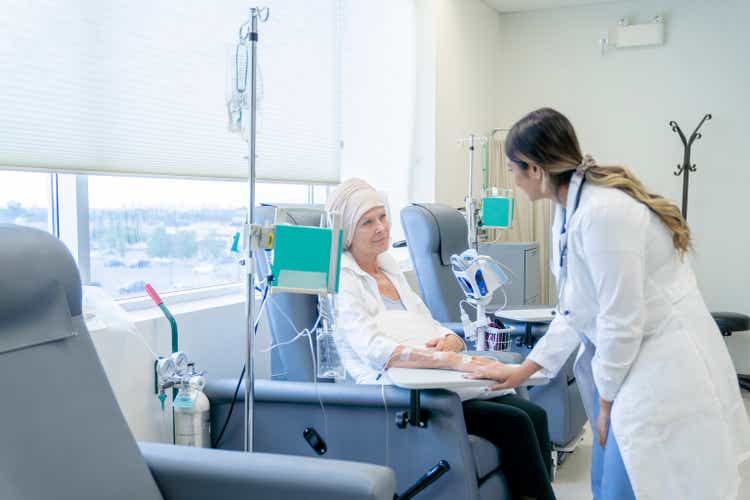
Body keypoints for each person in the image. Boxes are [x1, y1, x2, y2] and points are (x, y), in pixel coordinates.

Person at [468, 108, 750, 500]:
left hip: (660, 365)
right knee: (606, 482)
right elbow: (574, 308)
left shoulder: (602, 213)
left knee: (636, 482)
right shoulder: (569, 210)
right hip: (631, 363)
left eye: (514, 169)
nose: (513, 181)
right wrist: (524, 371)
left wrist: (605, 402)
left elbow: (621, 319)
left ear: (535, 169)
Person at [327, 178, 556, 500]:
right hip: (397, 389)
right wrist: (451, 359)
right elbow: (374, 349)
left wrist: (453, 341)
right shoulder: (343, 278)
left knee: (534, 414)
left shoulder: (389, 268)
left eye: (382, 216)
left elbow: (429, 322)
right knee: (515, 423)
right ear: (348, 232)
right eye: (367, 222)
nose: (381, 227)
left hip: (437, 377)